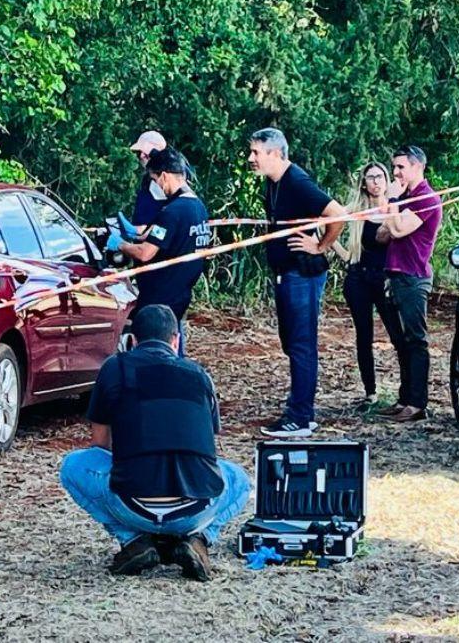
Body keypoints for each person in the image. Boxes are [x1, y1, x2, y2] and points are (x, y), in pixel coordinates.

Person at [59, 305, 250, 582]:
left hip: (132, 503)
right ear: (176, 340)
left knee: (72, 466)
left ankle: (133, 539)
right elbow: (208, 446)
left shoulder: (115, 368)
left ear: (133, 341)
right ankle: (199, 539)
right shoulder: (199, 375)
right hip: (196, 507)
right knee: (241, 479)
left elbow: (99, 444)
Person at [247, 128, 347, 438]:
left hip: (302, 275)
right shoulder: (272, 183)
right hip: (285, 273)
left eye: (256, 152)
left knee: (302, 345)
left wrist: (320, 246)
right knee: (292, 343)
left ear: (275, 154)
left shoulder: (297, 182)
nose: (251, 158)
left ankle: (301, 417)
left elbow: (338, 214)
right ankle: (301, 407)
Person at [106, 148, 212, 356]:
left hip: (159, 298)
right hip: (181, 294)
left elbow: (146, 253)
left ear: (163, 176)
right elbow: (167, 236)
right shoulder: (198, 208)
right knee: (172, 347)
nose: (155, 186)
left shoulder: (172, 212)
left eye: (154, 179)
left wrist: (121, 245)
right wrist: (136, 233)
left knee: (153, 352)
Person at [376, 146, 443, 423]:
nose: (395, 173)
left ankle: (417, 403)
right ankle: (405, 398)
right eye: (394, 167)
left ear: (418, 167)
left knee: (416, 341)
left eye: (401, 167)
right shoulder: (405, 199)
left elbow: (398, 230)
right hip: (395, 275)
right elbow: (382, 234)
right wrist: (393, 215)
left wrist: (391, 204)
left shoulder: (426, 198)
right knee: (400, 341)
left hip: (413, 277)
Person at [341, 162, 404, 407]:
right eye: (370, 177)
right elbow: (330, 221)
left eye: (380, 176)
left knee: (396, 334)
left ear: (387, 181)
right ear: (364, 183)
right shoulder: (357, 210)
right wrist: (335, 249)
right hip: (359, 278)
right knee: (363, 335)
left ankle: (406, 392)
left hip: (385, 279)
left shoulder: (395, 209)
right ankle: (370, 392)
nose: (376, 181)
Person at [128, 131, 170, 231]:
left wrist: (145, 231)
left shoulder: (168, 179)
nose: (141, 156)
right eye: (139, 153)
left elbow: (168, 223)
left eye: (146, 153)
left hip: (156, 241)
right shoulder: (147, 179)